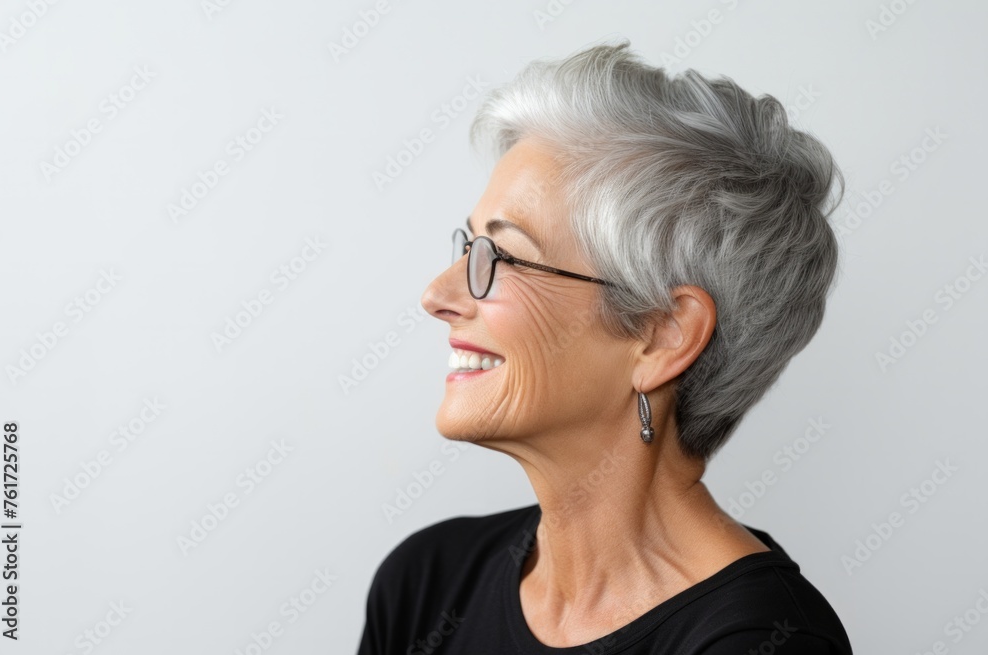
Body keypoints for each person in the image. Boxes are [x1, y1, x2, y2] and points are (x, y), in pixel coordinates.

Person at [357, 39, 852, 654]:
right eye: (469, 246)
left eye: (502, 255)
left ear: (662, 335)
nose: (437, 294)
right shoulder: (429, 581)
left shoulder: (758, 640)